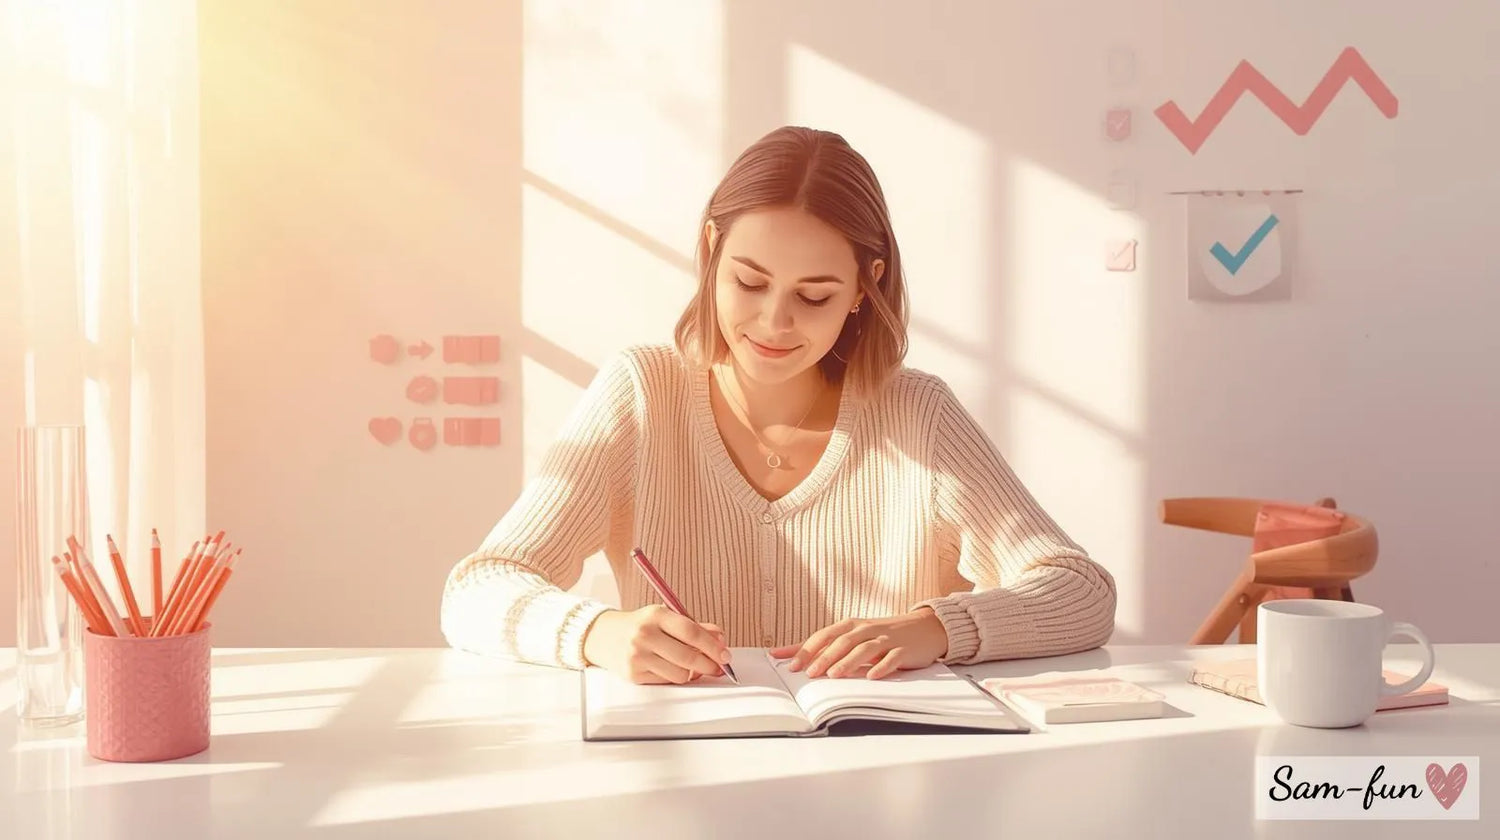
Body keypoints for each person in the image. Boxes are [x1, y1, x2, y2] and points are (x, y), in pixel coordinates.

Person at [440, 126, 1116, 685]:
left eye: (814, 295)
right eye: (749, 282)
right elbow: (478, 589)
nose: (774, 322)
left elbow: (1081, 591)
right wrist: (598, 632)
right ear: (712, 251)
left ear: (864, 286)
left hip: (878, 774)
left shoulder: (917, 415)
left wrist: (934, 629)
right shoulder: (642, 392)